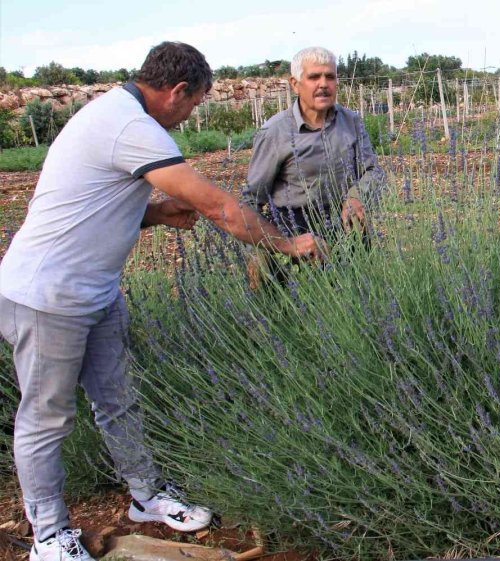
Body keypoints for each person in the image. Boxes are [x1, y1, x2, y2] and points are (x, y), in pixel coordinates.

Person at [0, 42, 325, 561]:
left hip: (96, 290)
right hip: (47, 296)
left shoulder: (116, 112)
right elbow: (217, 205)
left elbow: (94, 199)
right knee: (46, 417)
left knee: (117, 399)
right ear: (176, 91)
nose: (192, 114)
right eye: (194, 104)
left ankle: (145, 497)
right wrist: (285, 244)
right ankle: (48, 536)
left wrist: (151, 213)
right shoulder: (132, 127)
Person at [241, 46, 384, 283]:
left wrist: (356, 195)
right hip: (293, 226)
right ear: (295, 84)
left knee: (358, 290)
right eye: (314, 77)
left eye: (330, 76)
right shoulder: (274, 132)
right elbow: (251, 199)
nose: (323, 84)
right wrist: (263, 250)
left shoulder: (351, 121)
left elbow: (372, 170)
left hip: (343, 221)